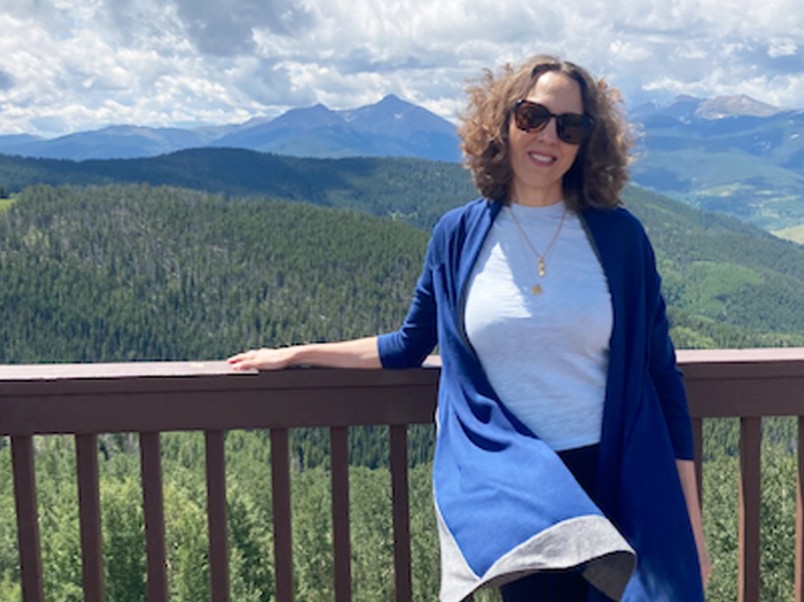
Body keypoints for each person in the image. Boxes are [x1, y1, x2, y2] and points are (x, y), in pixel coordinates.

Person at [228, 55, 711, 601]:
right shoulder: (458, 237)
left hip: (622, 474)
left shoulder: (621, 238)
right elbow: (408, 345)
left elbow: (661, 378)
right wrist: (297, 355)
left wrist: (689, 521)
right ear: (503, 122)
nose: (548, 136)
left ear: (586, 144)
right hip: (524, 493)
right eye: (533, 116)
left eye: (570, 126)